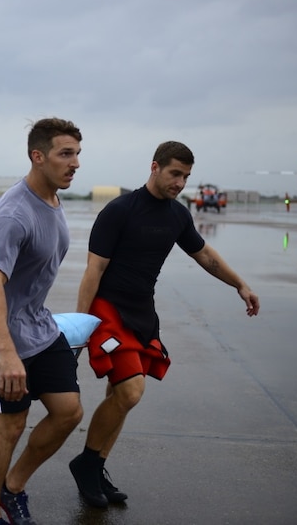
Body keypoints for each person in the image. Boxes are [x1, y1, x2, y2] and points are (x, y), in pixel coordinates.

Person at [68, 141, 260, 508]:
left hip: (143, 312)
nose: (180, 183)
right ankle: (86, 463)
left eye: (186, 177)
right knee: (131, 391)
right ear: (155, 167)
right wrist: (80, 326)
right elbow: (94, 270)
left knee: (119, 398)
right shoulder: (120, 210)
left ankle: (96, 467)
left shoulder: (178, 215)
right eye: (175, 174)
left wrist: (241, 284)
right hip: (109, 309)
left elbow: (204, 254)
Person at [0, 117, 84, 525]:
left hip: (36, 325)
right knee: (9, 428)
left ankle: (11, 487)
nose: (75, 163)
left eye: (77, 154)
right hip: (1, 336)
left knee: (68, 412)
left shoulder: (51, 196)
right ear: (38, 156)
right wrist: (6, 354)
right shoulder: (13, 215)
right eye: (65, 154)